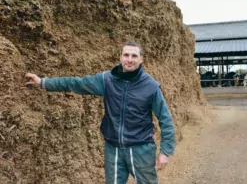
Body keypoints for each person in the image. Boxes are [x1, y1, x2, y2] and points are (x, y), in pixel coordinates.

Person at [25, 41, 176, 184]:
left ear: (141, 59)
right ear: (120, 57)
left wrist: (165, 151)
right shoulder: (106, 80)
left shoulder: (151, 86)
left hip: (141, 149)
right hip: (113, 148)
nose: (130, 60)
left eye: (134, 56)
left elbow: (165, 119)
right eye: (126, 55)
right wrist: (44, 82)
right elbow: (76, 83)